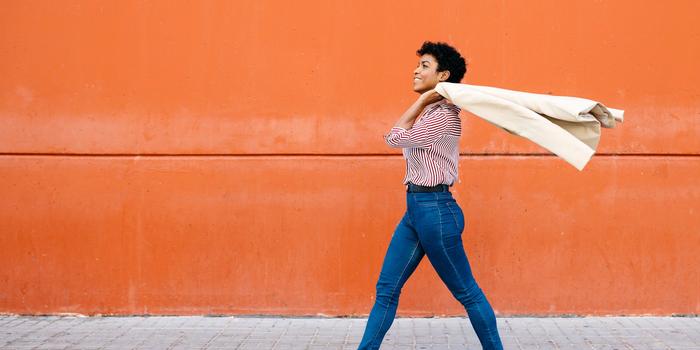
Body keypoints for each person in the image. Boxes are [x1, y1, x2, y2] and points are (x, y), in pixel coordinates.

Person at [357, 41, 504, 350]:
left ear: (443, 75)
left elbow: (394, 137)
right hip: (416, 211)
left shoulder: (443, 116)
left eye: (425, 66)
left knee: (467, 293)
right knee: (386, 290)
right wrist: (424, 102)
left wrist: (422, 100)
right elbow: (399, 135)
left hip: (436, 212)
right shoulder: (430, 113)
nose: (415, 69)